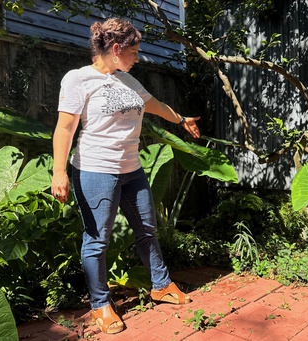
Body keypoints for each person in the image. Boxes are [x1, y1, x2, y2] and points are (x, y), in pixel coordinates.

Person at [50, 18, 200, 334]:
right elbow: (65, 127)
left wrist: (181, 118)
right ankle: (100, 304)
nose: (137, 57)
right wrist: (59, 172)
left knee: (147, 228)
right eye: (134, 51)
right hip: (95, 171)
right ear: (116, 49)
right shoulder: (79, 80)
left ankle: (160, 285)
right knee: (97, 239)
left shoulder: (128, 81)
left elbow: (154, 105)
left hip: (132, 170)